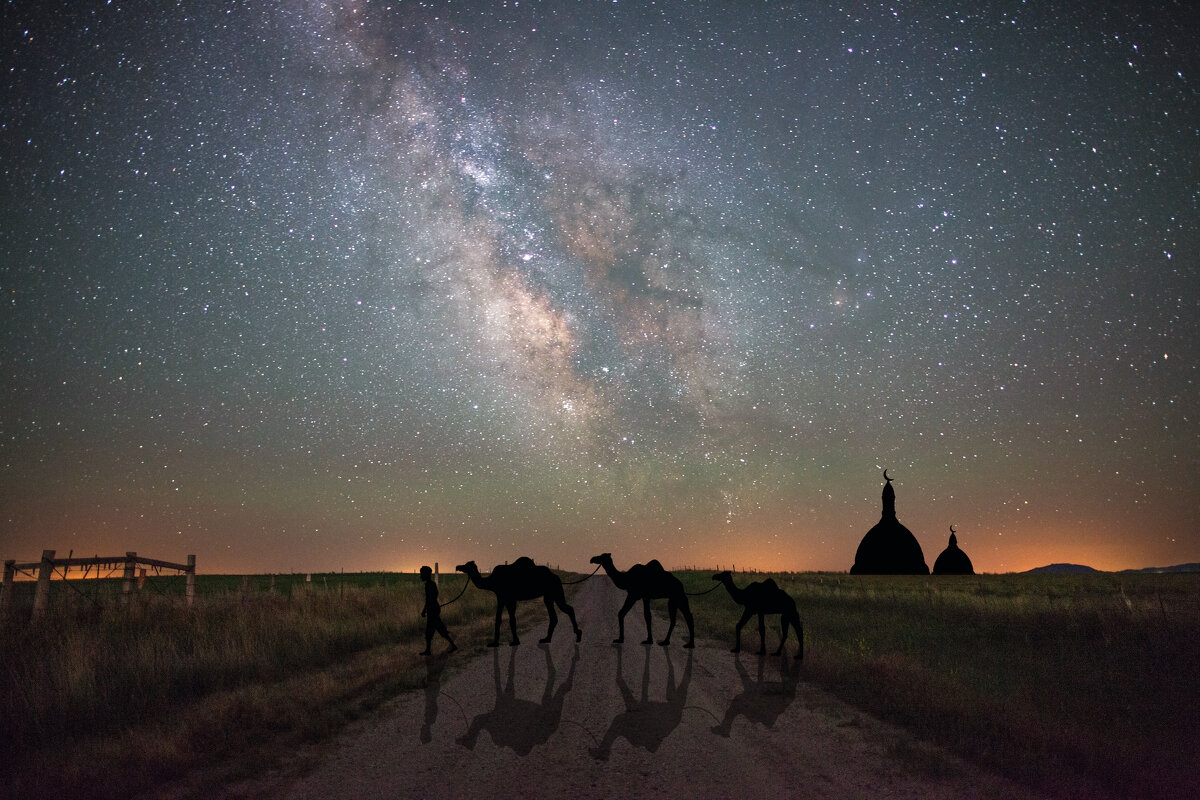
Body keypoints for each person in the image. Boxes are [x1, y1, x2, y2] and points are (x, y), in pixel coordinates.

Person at [419, 565, 456, 655]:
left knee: (434, 630)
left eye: (422, 574)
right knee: (435, 630)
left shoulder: (429, 585)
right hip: (434, 609)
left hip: (432, 610)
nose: (421, 576)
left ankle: (452, 646)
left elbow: (429, 599)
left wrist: (424, 610)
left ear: (426, 575)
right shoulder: (431, 584)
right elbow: (433, 597)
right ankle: (429, 650)